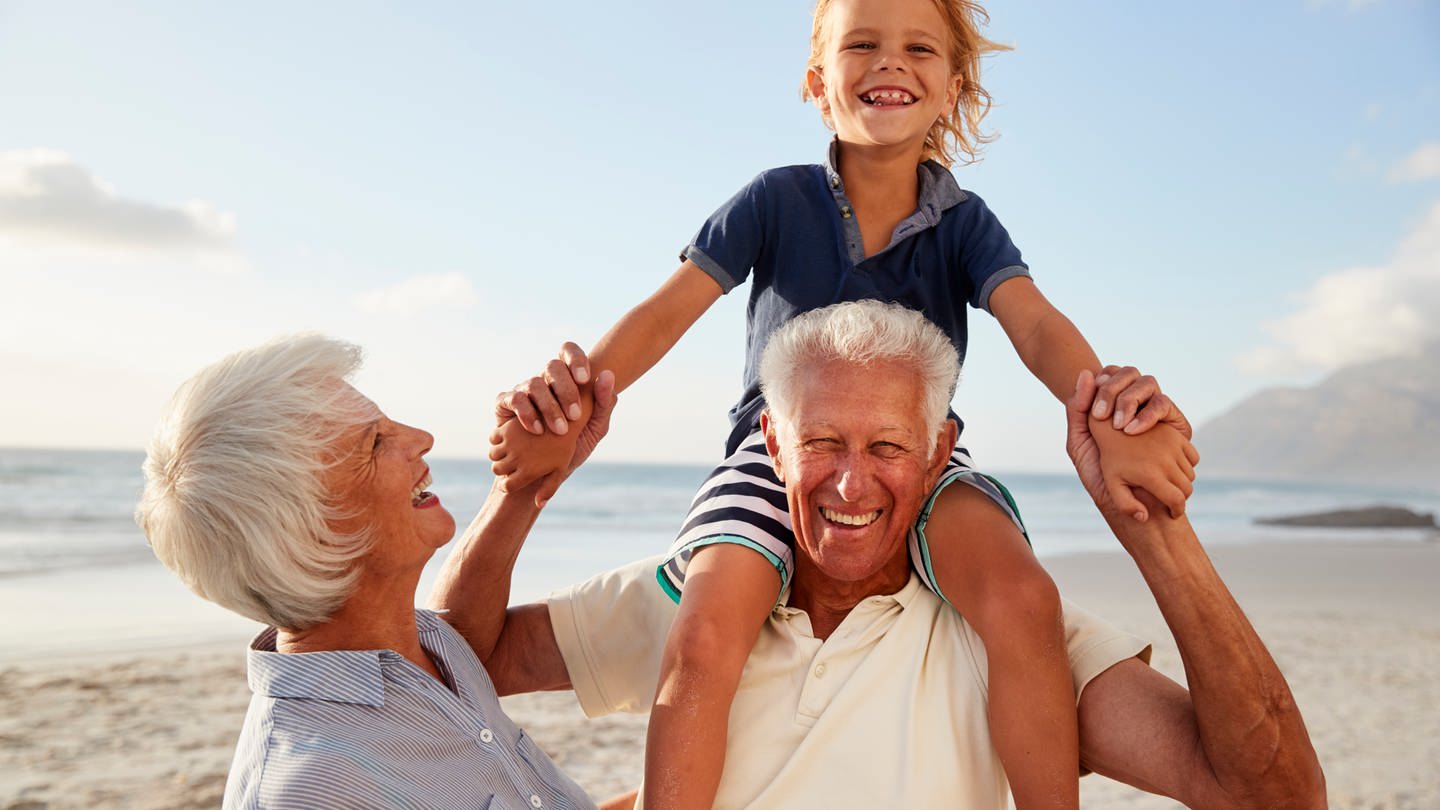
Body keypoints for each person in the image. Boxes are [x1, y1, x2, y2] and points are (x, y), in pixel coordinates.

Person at [488, 0, 1198, 806]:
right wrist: (569, 403)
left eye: (918, 47)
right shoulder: (774, 199)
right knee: (708, 624)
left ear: (952, 86)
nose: (890, 61)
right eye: (862, 43)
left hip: (914, 450)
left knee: (1026, 598)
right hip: (781, 450)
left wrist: (1111, 411)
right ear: (818, 84)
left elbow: (1033, 324)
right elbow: (665, 311)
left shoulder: (966, 225)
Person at [435, 300, 1325, 809]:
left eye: (889, 448)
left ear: (941, 455)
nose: (851, 485)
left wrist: (1155, 529)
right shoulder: (692, 598)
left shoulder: (1015, 638)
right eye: (821, 442)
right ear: (772, 450)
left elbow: (1273, 795)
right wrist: (518, 496)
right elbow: (449, 663)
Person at [133, 333, 631, 810]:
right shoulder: (307, 791)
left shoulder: (434, 646)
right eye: (375, 444)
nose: (422, 438)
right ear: (316, 532)